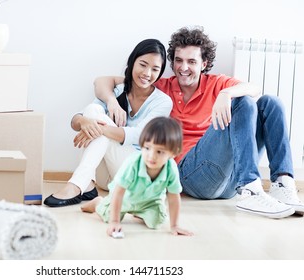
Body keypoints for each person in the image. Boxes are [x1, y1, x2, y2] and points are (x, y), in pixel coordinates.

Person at [94, 26, 304, 219]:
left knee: (270, 102)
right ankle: (249, 187)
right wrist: (112, 101)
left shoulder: (216, 83)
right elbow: (103, 81)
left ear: (204, 64)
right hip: (191, 174)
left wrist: (226, 94)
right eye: (178, 60)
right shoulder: (161, 87)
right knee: (245, 103)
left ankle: (282, 183)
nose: (183, 67)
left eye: (192, 62)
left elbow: (255, 87)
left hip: (230, 180)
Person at [43, 38, 173, 207]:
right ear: (133, 62)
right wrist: (84, 121)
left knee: (97, 122)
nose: (147, 73)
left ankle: (77, 185)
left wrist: (97, 127)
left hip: (132, 174)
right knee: (92, 111)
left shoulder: (163, 102)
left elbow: (138, 136)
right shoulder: (117, 91)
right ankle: (86, 183)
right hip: (105, 178)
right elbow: (77, 120)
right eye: (143, 64)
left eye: (155, 69)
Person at [81, 117, 193, 237]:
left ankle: (140, 213)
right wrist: (115, 222)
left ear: (173, 153)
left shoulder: (171, 168)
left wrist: (174, 225)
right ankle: (98, 203)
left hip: (149, 202)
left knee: (157, 222)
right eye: (147, 148)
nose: (151, 156)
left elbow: (174, 197)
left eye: (159, 152)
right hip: (124, 198)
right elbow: (119, 192)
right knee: (109, 216)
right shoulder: (133, 163)